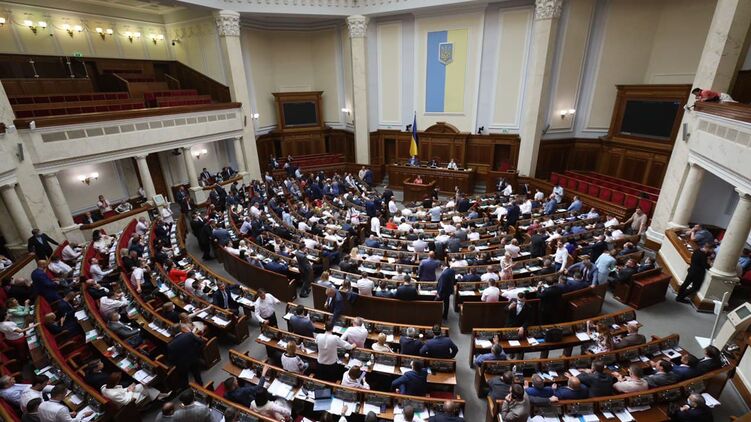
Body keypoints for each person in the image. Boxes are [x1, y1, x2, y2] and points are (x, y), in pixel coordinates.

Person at [101, 371, 168, 407]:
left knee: (140, 386)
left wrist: (128, 389)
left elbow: (119, 391)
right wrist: (130, 391)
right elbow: (126, 401)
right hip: (128, 402)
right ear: (115, 382)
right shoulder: (113, 394)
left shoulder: (104, 387)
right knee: (145, 391)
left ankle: (158, 396)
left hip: (125, 394)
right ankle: (157, 397)